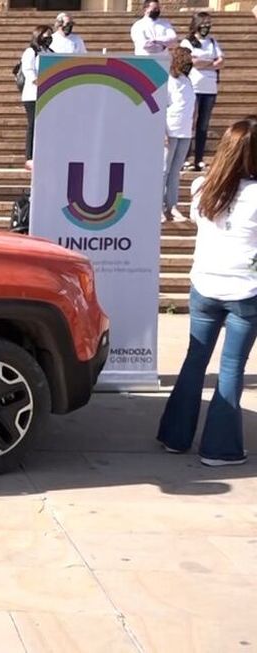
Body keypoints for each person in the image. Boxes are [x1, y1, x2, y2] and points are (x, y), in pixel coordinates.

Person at [157, 117, 257, 466]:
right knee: (231, 368)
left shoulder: (202, 187)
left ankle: (174, 436)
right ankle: (220, 448)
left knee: (194, 359)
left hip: (204, 284)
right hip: (245, 290)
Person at [181, 12, 224, 172]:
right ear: (197, 24)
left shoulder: (212, 42)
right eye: (204, 23)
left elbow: (222, 62)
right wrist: (211, 62)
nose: (206, 26)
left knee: (203, 125)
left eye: (209, 23)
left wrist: (206, 63)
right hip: (194, 87)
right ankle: (185, 158)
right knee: (189, 123)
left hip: (210, 89)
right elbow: (192, 61)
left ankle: (199, 159)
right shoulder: (188, 42)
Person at [162, 47, 196, 221]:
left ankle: (172, 206)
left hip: (185, 131)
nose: (190, 63)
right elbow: (161, 107)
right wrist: (163, 132)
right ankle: (158, 207)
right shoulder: (169, 80)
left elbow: (191, 104)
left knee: (175, 171)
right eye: (187, 59)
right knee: (164, 171)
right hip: (171, 129)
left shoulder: (187, 81)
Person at [21, 25, 54, 163]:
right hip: (33, 95)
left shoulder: (50, 52)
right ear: (39, 36)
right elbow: (28, 71)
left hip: (47, 95)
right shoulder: (31, 52)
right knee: (33, 124)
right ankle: (30, 156)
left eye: (50, 35)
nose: (49, 38)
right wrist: (40, 83)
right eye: (46, 35)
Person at [130, 0, 178, 67]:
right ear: (146, 9)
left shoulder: (165, 24)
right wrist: (163, 46)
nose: (157, 10)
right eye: (154, 8)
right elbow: (144, 45)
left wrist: (155, 40)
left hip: (163, 62)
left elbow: (173, 38)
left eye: (158, 8)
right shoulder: (138, 25)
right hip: (144, 61)